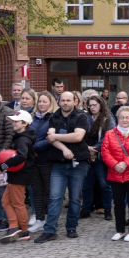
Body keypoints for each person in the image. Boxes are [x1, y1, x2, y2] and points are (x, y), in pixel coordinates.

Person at [34, 92, 91, 243]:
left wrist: (56, 137)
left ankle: (71, 227)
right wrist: (65, 149)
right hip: (58, 163)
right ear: (58, 102)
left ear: (74, 101)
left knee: (74, 199)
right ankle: (49, 230)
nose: (65, 103)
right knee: (55, 197)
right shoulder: (54, 117)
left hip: (78, 163)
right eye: (62, 100)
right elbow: (49, 138)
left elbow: (78, 137)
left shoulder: (81, 117)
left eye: (68, 100)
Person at [101, 106, 129, 241]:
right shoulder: (110, 133)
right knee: (118, 203)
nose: (125, 120)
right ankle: (119, 230)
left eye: (127, 117)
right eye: (122, 117)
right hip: (115, 174)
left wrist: (125, 163)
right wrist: (115, 165)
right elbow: (105, 152)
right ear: (117, 118)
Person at [0, 111, 35, 243]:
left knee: (17, 203)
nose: (13, 123)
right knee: (6, 201)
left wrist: (3, 166)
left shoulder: (23, 139)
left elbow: (21, 156)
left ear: (24, 123)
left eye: (16, 121)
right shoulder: (20, 137)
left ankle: (23, 230)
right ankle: (14, 226)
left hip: (20, 175)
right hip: (15, 175)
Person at [27, 92, 58, 233]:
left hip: (46, 159)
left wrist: (33, 148)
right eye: (40, 101)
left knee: (49, 191)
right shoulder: (33, 119)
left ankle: (51, 220)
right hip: (33, 160)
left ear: (50, 103)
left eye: (45, 102)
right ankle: (40, 219)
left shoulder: (54, 118)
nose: (41, 104)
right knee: (37, 191)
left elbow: (50, 139)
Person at [81, 95, 115, 220]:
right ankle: (86, 208)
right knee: (87, 184)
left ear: (101, 104)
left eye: (95, 105)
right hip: (86, 154)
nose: (92, 107)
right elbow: (79, 134)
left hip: (101, 155)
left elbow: (108, 137)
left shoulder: (108, 119)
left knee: (104, 184)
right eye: (90, 105)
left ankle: (107, 209)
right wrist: (87, 148)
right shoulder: (84, 118)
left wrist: (94, 149)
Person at [0, 89, 14, 232]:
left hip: (0, 160)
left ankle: (7, 219)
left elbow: (9, 137)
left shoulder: (7, 113)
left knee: (2, 191)